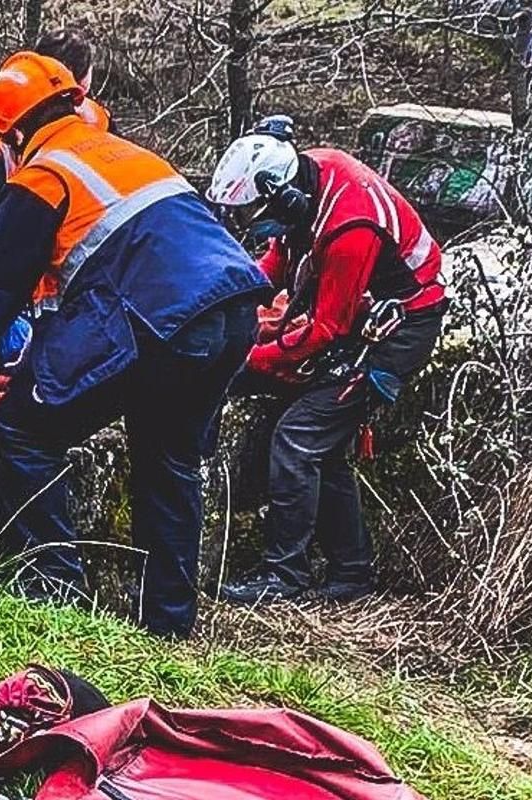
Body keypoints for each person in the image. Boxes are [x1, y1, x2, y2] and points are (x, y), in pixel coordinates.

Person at [0, 53, 271, 639]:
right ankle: (168, 624)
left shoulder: (43, 176)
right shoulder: (131, 155)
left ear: (9, 132)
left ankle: (53, 596)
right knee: (168, 457)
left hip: (158, 315)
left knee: (23, 430)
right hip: (234, 308)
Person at [207, 115, 446, 605]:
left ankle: (285, 574)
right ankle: (350, 572)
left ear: (280, 195)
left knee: (299, 438)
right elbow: (279, 258)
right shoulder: (311, 175)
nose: (250, 224)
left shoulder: (349, 228)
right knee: (325, 447)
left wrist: (254, 357)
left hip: (397, 330)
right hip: (364, 310)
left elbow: (327, 329)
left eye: (252, 212)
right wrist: (231, 299)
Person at [0, 28, 109, 274]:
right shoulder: (98, 123)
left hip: (60, 250)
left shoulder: (97, 120)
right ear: (83, 81)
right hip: (59, 247)